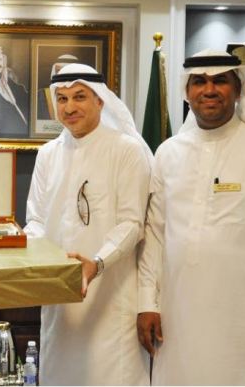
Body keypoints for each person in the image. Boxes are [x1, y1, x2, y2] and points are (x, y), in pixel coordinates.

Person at [137, 49, 245, 385]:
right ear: (186, 90)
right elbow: (155, 236)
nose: (209, 90)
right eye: (199, 82)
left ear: (238, 88)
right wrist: (147, 301)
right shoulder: (168, 153)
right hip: (179, 319)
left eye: (220, 81)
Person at [24, 63, 153, 385]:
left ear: (100, 100)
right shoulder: (48, 154)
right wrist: (27, 255)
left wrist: (97, 263)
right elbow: (36, 220)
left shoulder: (126, 150)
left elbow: (132, 223)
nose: (69, 108)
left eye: (79, 97)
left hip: (110, 296)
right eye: (62, 98)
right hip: (59, 297)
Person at [37, 53, 79, 120]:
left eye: (68, 72)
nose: (62, 75)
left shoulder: (85, 95)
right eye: (59, 71)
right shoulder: (41, 95)